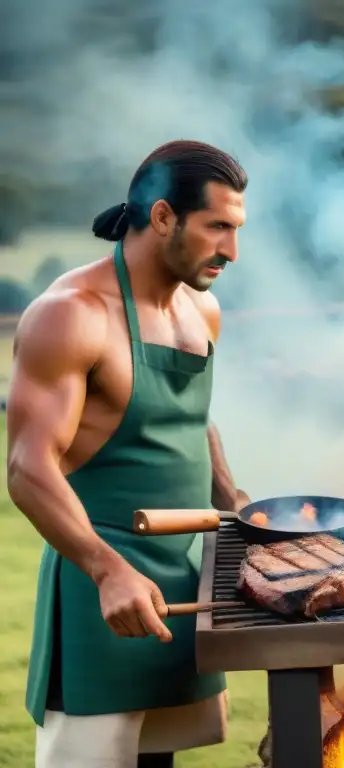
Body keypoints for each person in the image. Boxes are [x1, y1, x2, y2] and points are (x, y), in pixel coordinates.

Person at [6, 140, 250, 768]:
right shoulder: (71, 315)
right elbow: (28, 467)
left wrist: (236, 498)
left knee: (159, 760)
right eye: (217, 227)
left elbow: (190, 416)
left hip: (180, 584)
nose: (232, 250)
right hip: (101, 588)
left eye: (237, 228)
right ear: (164, 216)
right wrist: (108, 569)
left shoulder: (203, 310)